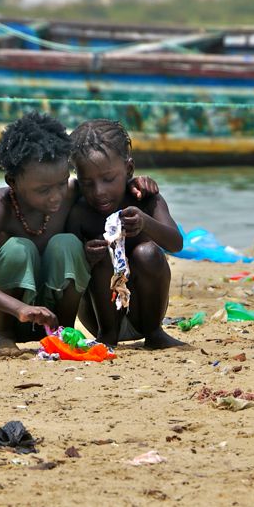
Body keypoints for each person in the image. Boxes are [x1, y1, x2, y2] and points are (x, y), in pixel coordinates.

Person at [0, 111, 158, 358]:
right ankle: (3, 337)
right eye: (43, 190)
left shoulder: (72, 192)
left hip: (52, 312)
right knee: (18, 249)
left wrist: (136, 183)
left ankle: (63, 333)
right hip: (10, 311)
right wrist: (19, 308)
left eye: (61, 183)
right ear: (13, 181)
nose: (56, 195)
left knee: (66, 244)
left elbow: (107, 186)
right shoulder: (1, 205)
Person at [67, 119, 185, 349]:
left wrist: (146, 224)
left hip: (143, 314)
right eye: (87, 183)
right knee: (101, 253)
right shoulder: (80, 211)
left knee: (148, 253)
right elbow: (70, 266)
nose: (99, 192)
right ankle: (108, 336)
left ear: (129, 169)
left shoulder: (147, 199)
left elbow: (176, 243)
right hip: (99, 318)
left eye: (108, 179)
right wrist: (85, 255)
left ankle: (155, 333)